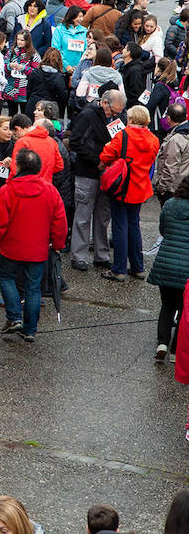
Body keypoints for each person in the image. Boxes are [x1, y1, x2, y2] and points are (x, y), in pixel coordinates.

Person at [0, 148, 67, 341]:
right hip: (38, 248)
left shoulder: (8, 190)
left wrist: (2, 239)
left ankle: (15, 317)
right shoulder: (50, 191)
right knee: (34, 288)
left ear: (20, 166)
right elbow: (60, 221)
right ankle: (30, 329)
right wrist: (57, 243)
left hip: (11, 247)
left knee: (6, 278)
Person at [100, 104, 160, 281]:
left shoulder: (123, 136)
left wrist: (109, 146)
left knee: (120, 226)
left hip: (122, 186)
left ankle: (119, 269)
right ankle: (137, 266)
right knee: (134, 225)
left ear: (131, 119)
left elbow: (105, 156)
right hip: (140, 186)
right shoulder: (153, 139)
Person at [69, 89, 126, 270]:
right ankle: (79, 256)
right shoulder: (87, 115)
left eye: (119, 112)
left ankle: (101, 255)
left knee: (103, 217)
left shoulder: (117, 117)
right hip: (88, 171)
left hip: (107, 174)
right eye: (114, 111)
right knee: (83, 216)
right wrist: (98, 161)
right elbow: (75, 142)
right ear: (104, 103)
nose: (116, 115)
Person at [150, 179, 189, 361]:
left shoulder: (170, 204)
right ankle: (175, 350)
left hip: (165, 263)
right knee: (183, 309)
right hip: (186, 270)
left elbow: (163, 229)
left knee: (166, 305)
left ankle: (162, 343)